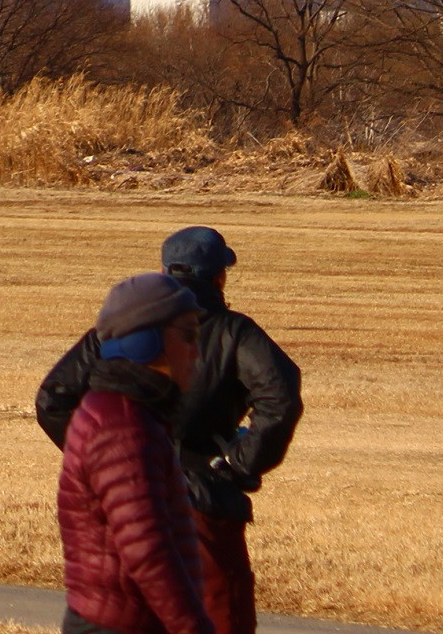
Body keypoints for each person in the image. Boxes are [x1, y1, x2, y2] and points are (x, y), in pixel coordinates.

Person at [36, 228, 301, 634]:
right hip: (207, 504)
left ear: (163, 269)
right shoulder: (234, 331)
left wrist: (99, 460)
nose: (192, 351)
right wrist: (234, 464)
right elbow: (280, 398)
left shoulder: (125, 328)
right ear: (219, 278)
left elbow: (53, 399)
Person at [54, 271, 217, 634]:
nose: (197, 351)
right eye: (188, 335)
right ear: (145, 342)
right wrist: (193, 628)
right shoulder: (121, 426)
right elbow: (147, 549)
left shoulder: (131, 412)